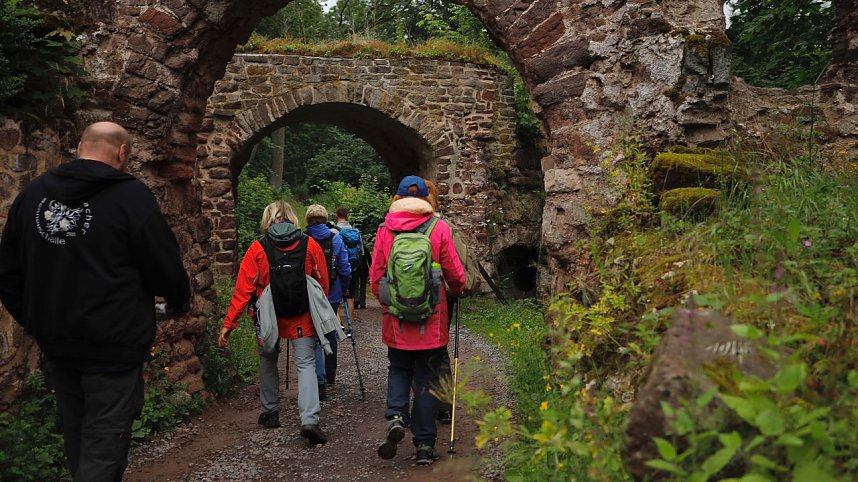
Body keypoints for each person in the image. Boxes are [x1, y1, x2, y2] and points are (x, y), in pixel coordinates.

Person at [0, 121, 191, 481]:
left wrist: (36, 319)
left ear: (78, 147)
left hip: (58, 344)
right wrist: (178, 301)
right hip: (113, 344)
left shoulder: (34, 194)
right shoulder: (130, 197)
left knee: (77, 435)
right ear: (122, 152)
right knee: (104, 443)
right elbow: (164, 265)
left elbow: (8, 272)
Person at [370, 175, 466, 465]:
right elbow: (455, 274)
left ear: (397, 199)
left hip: (397, 321)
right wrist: (458, 289)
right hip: (431, 321)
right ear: (427, 198)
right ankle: (424, 445)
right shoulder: (438, 228)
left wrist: (391, 304)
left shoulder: (385, 230)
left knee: (398, 368)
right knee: (427, 378)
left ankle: (397, 415)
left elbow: (376, 277)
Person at [218, 201, 329, 445]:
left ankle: (270, 412)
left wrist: (229, 324)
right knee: (306, 364)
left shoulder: (258, 248)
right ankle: (309, 419)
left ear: (267, 220)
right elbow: (322, 282)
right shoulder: (309, 244)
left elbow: (243, 290)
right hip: (301, 316)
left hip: (267, 317)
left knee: (268, 359)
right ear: (292, 218)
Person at [304, 204, 351, 401]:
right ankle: (330, 372)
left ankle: (317, 377)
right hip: (332, 292)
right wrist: (344, 288)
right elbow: (345, 267)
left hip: (309, 293)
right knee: (330, 331)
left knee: (313, 333)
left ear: (308, 220)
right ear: (325, 219)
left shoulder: (303, 239)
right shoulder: (336, 238)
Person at [335, 206, 369, 311]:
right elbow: (362, 251)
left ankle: (338, 315)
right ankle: (351, 317)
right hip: (353, 264)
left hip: (338, 265)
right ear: (347, 216)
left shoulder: (334, 231)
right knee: (351, 293)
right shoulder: (355, 232)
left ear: (337, 216)